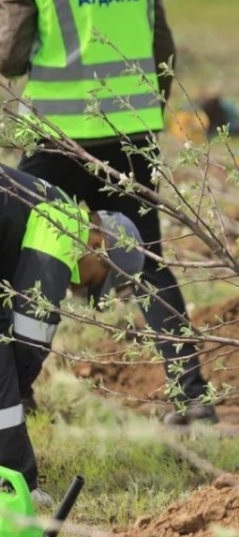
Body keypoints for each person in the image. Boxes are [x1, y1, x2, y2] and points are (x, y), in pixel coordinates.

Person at [0, 0, 217, 424]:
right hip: (129, 133)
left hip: (56, 133)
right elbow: (162, 50)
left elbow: (9, 55)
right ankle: (191, 395)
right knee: (148, 267)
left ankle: (16, 394)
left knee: (21, 251)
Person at [0, 164, 144, 502]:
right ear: (98, 242)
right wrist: (16, 390)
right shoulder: (64, 224)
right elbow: (30, 334)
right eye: (95, 280)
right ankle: (13, 485)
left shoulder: (47, 200)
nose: (78, 288)